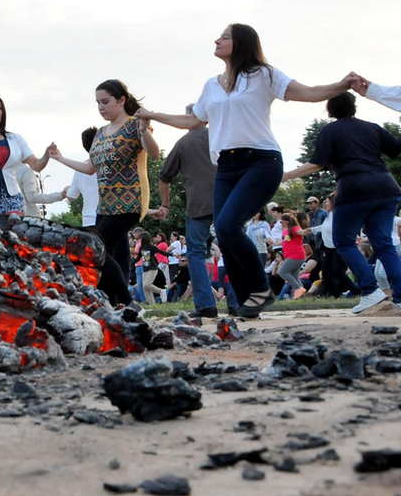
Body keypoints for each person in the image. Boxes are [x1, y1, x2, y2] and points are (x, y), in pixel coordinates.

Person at [134, 23, 354, 317]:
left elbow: (308, 92)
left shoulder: (263, 74)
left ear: (241, 43)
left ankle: (259, 289)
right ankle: (245, 304)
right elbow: (192, 122)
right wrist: (152, 114)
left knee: (226, 225)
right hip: (225, 165)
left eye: (224, 37)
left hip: (261, 161)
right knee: (225, 234)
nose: (217, 39)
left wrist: (343, 85)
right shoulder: (211, 85)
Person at [282, 91, 401, 313]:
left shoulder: (330, 131)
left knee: (343, 241)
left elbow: (317, 164)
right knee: (384, 244)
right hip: (387, 187)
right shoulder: (371, 127)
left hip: (354, 188)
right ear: (353, 107)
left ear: (330, 110)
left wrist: (286, 175)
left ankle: (370, 291)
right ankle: (400, 298)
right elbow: (396, 148)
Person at [48, 80, 158, 306]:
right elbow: (90, 168)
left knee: (94, 248)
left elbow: (154, 153)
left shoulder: (134, 125)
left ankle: (127, 302)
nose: (101, 107)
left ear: (122, 100)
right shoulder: (100, 133)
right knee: (98, 254)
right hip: (106, 203)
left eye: (106, 102)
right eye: (98, 103)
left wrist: (145, 131)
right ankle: (112, 302)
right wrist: (60, 159)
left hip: (131, 200)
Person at [150, 105, 219, 316]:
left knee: (196, 255)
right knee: (233, 249)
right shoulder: (221, 135)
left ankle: (206, 306)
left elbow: (164, 176)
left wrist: (165, 204)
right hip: (226, 201)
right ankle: (239, 302)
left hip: (197, 206)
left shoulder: (183, 143)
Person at [64, 128, 100, 228]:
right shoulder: (111, 165)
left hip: (89, 220)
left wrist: (67, 189)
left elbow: (71, 196)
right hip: (110, 217)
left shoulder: (79, 169)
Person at [275, 213, 310, 298]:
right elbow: (284, 241)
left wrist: (305, 232)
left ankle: (298, 289)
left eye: (281, 221)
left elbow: (300, 232)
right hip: (290, 255)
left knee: (282, 272)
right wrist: (273, 243)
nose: (280, 223)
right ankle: (302, 298)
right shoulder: (286, 230)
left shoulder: (294, 228)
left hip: (296, 255)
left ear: (286, 221)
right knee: (295, 277)